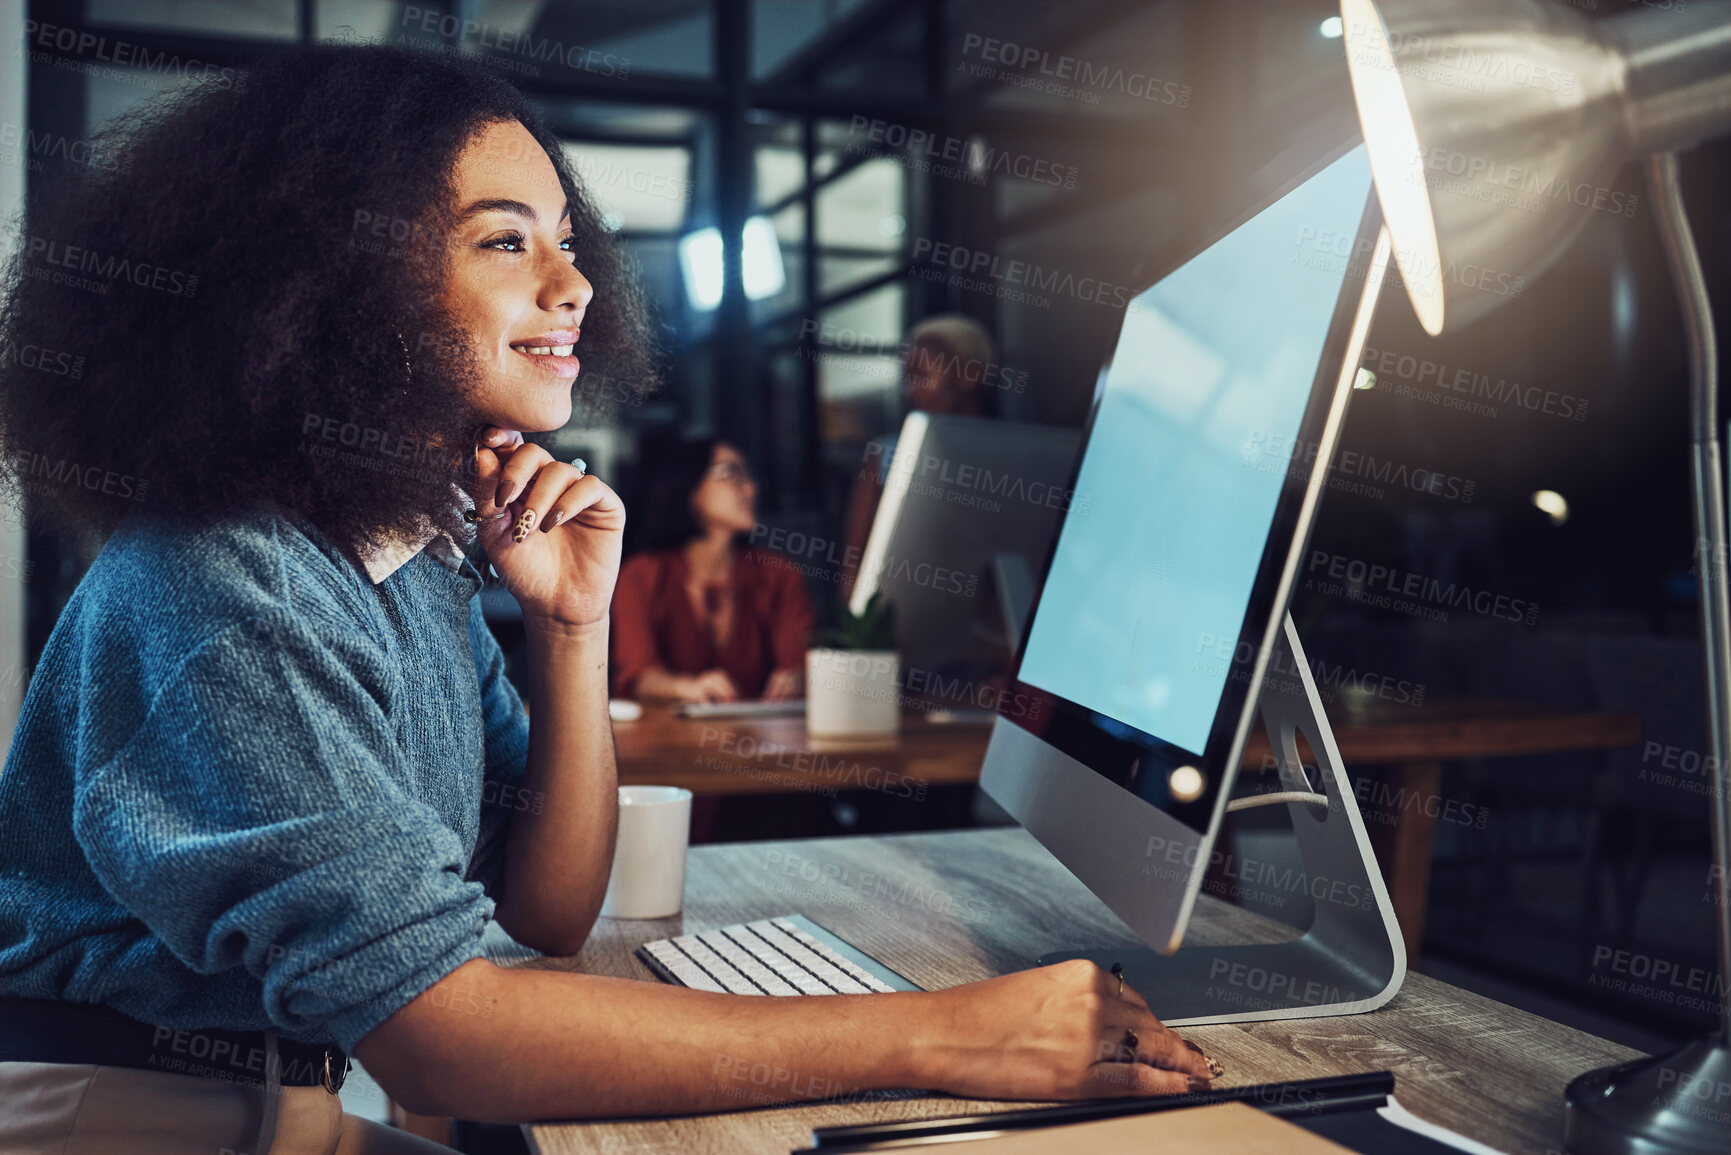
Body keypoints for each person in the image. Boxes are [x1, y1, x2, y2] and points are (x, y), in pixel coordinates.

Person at [0, 43, 1215, 1155]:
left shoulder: (406, 560)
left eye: (569, 239)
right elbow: (444, 1036)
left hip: (273, 1103)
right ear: (334, 284)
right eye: (505, 240)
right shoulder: (230, 589)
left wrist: (573, 626)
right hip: (114, 1115)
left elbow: (552, 904)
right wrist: (947, 1033)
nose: (576, 283)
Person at [610, 437, 812, 703]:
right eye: (730, 473)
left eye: (749, 476)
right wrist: (684, 688)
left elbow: (797, 663)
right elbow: (635, 674)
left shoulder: (780, 576)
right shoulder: (641, 576)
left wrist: (799, 677)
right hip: (665, 739)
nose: (750, 489)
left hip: (759, 738)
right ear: (688, 487)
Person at [841, 315, 999, 597]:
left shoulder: (1012, 458)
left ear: (969, 375)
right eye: (907, 378)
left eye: (921, 376)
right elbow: (854, 563)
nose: (909, 391)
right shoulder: (885, 456)